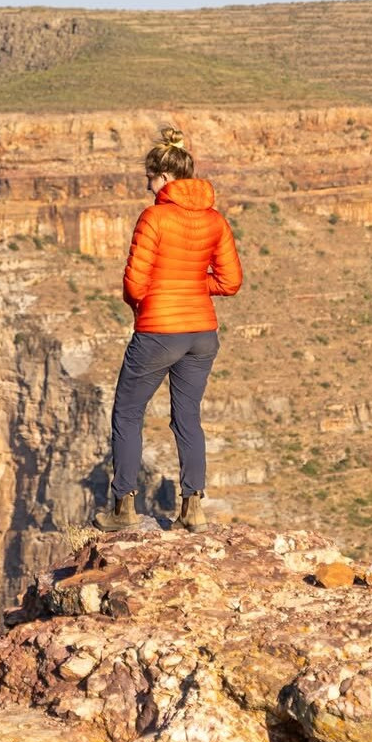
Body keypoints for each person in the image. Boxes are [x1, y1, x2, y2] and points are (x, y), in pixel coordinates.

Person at [94, 126, 243, 532]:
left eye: (149, 175)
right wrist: (195, 286)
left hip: (159, 329)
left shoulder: (154, 217)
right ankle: (192, 508)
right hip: (202, 334)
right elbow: (230, 282)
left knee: (127, 412)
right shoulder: (215, 220)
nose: (146, 183)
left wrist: (146, 304)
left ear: (164, 176)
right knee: (187, 417)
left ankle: (123, 509)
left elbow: (134, 284)